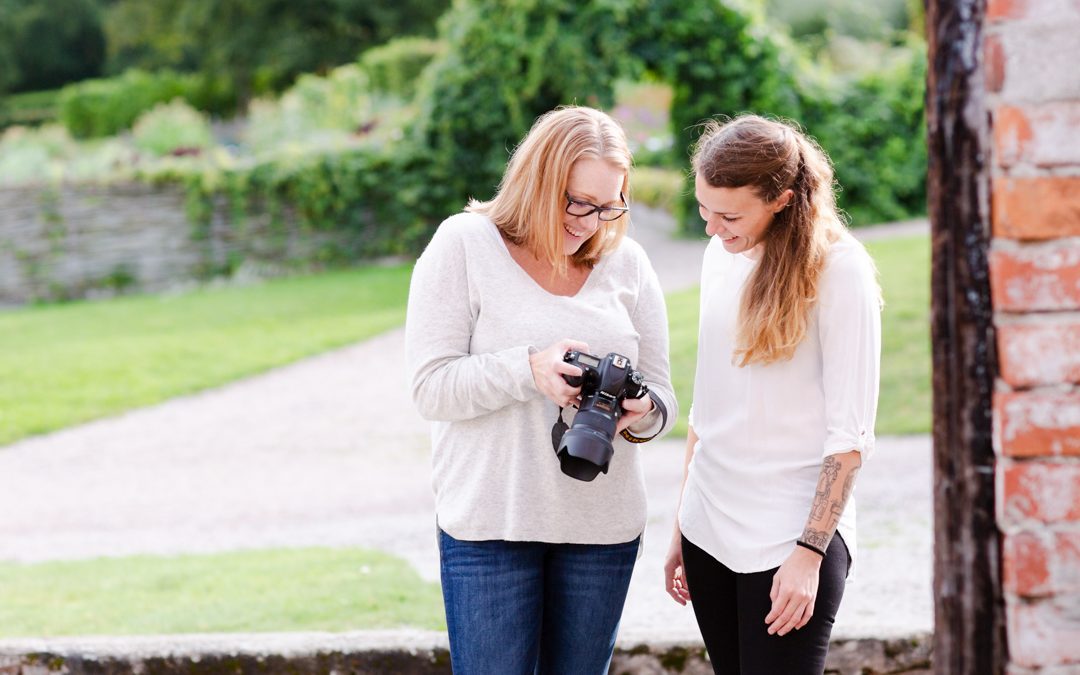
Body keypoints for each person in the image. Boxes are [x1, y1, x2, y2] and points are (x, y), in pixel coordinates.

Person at [405, 105, 678, 674]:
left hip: (602, 531)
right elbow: (431, 388)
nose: (590, 223)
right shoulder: (464, 244)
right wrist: (529, 370)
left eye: (608, 206)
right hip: (490, 527)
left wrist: (641, 408)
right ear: (537, 181)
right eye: (578, 202)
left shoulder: (628, 264)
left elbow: (663, 399)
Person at [663, 114, 882, 675]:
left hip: (792, 537)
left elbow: (850, 437)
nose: (712, 229)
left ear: (782, 200)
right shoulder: (720, 255)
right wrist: (682, 524)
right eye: (704, 209)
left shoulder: (841, 270)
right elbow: (707, 408)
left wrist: (809, 554)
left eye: (730, 216)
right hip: (708, 526)